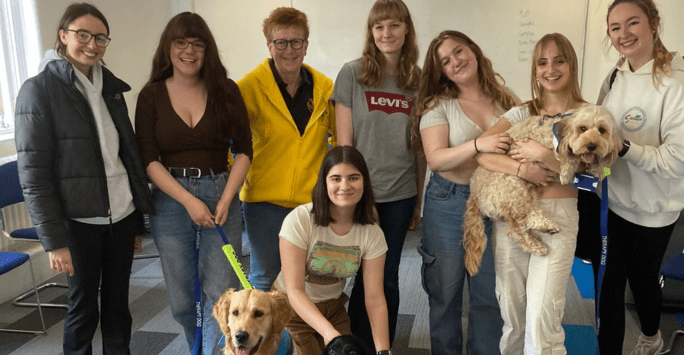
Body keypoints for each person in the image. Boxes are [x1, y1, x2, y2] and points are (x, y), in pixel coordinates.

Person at [13, 3, 155, 354]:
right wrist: (54, 240)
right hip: (77, 222)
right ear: (63, 36)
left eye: (101, 37)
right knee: (84, 307)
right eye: (83, 35)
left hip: (120, 216)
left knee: (118, 306)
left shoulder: (110, 87)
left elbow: (128, 158)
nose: (92, 44)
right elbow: (34, 175)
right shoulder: (39, 90)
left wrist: (136, 221)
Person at [135, 12, 252, 354]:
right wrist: (188, 200)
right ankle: (196, 349)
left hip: (221, 193)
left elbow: (245, 151)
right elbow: (148, 160)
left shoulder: (226, 90)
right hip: (170, 202)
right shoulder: (151, 95)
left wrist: (228, 198)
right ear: (168, 48)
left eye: (197, 44)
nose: (189, 51)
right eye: (181, 42)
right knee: (183, 301)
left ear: (207, 49)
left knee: (223, 294)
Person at [576, 1, 684, 354]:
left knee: (641, 283)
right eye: (615, 27)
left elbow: (678, 159)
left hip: (654, 210)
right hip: (611, 204)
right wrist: (592, 163)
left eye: (633, 23)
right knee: (607, 288)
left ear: (653, 24)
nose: (624, 34)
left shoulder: (676, 81)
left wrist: (626, 150)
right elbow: (602, 143)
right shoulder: (614, 77)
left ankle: (652, 337)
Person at [476, 33, 586, 354]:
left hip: (558, 220)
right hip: (512, 220)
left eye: (559, 60)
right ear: (535, 71)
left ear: (571, 65)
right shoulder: (521, 112)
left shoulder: (588, 114)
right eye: (542, 63)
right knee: (513, 318)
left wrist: (542, 154)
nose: (550, 69)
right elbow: (483, 153)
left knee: (543, 321)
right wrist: (524, 170)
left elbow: (598, 173)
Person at [411, 30, 519, 355]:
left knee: (489, 295)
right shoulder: (438, 105)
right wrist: (478, 145)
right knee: (446, 294)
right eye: (446, 60)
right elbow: (436, 158)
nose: (456, 61)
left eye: (458, 51)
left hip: (494, 204)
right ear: (441, 71)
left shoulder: (505, 98)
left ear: (472, 49)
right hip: (449, 202)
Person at [331, 0, 425, 348]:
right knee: (354, 272)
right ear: (371, 33)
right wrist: (354, 197)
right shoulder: (352, 74)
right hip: (357, 193)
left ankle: (379, 345)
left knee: (386, 277)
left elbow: (420, 149)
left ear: (406, 30)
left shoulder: (417, 80)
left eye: (394, 25)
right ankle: (352, 343)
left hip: (400, 194)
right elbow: (344, 148)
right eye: (379, 26)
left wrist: (419, 200)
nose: (387, 33)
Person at [237, 7, 336, 293]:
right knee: (266, 279)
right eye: (281, 42)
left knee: (308, 280)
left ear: (306, 45)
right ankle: (270, 340)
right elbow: (228, 138)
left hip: (310, 203)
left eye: (296, 42)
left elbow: (341, 141)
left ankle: (299, 340)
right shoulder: (249, 87)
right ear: (269, 46)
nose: (289, 50)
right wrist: (236, 171)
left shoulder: (324, 88)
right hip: (263, 202)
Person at [275, 145, 391, 355]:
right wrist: (332, 336)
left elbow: (374, 299)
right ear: (324, 183)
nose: (345, 185)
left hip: (334, 308)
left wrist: (384, 352)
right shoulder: (300, 220)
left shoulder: (372, 233)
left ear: (364, 182)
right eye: (336, 178)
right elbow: (295, 291)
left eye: (353, 178)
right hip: (291, 311)